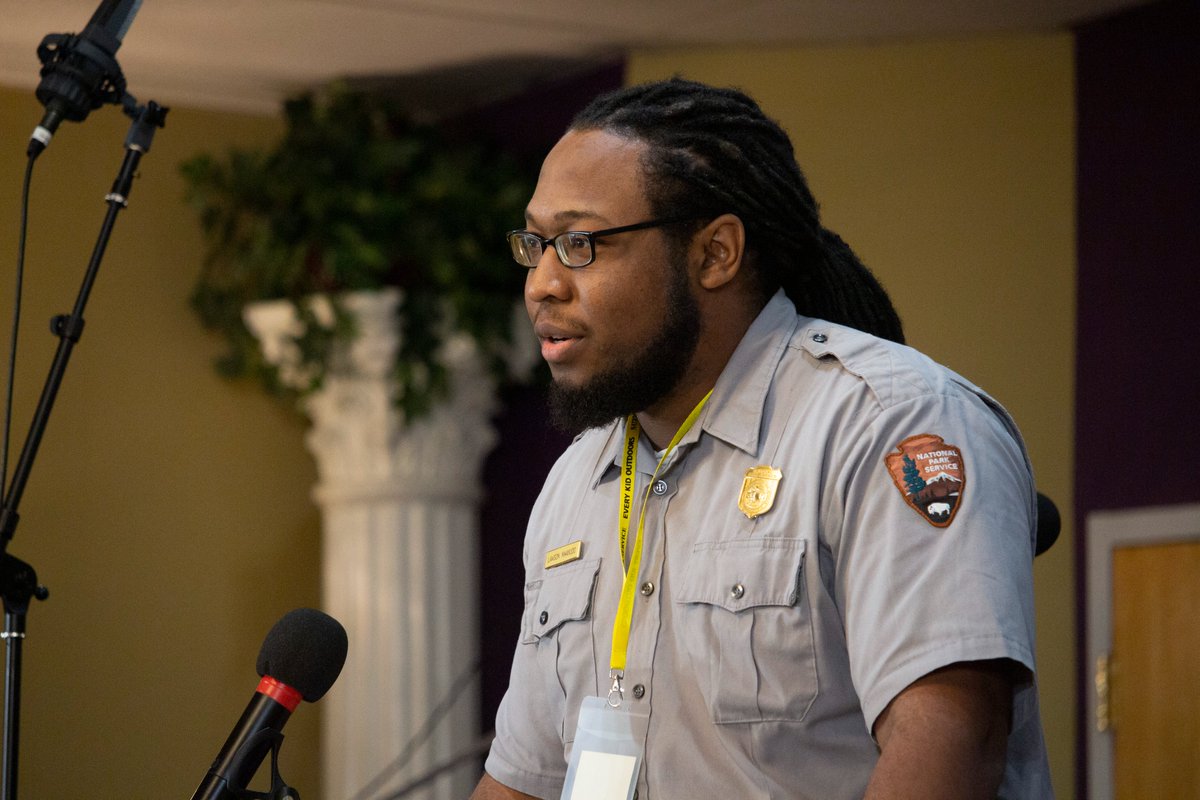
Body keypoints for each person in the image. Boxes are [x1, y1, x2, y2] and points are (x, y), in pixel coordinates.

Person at [473, 78, 1052, 799]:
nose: (542, 284)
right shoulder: (576, 480)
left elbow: (950, 743)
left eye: (581, 244)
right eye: (537, 244)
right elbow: (525, 777)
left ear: (715, 253)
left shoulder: (888, 422)